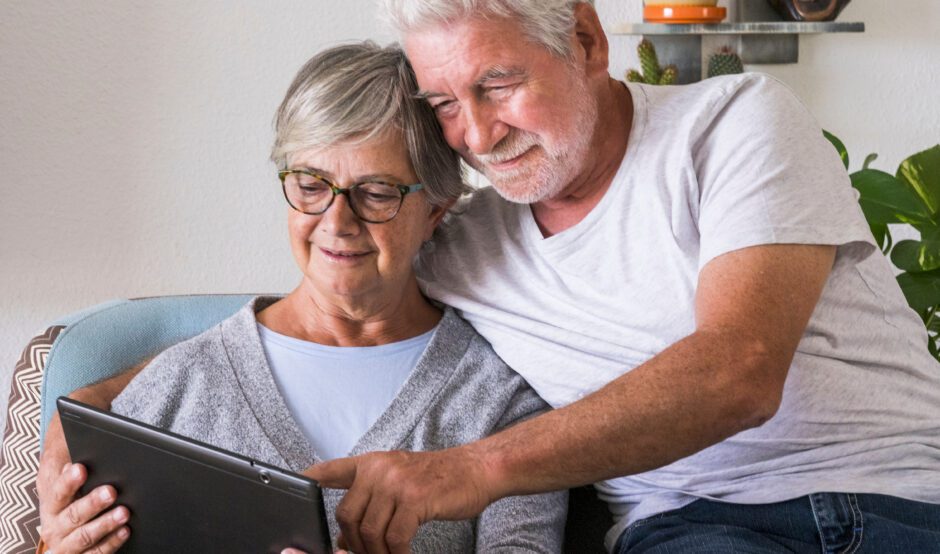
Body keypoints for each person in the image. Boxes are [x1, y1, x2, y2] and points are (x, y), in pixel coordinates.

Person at [37, 1, 940, 552]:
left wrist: (469, 473)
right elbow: (328, 280)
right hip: (698, 532)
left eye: (498, 83)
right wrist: (83, 401)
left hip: (901, 500)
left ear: (586, 39)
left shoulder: (734, 124)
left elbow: (740, 368)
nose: (473, 133)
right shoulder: (466, 233)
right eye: (443, 103)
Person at [34, 42, 566, 554]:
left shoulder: (501, 405)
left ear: (436, 211)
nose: (336, 222)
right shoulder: (177, 387)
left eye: (376, 192)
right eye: (311, 185)